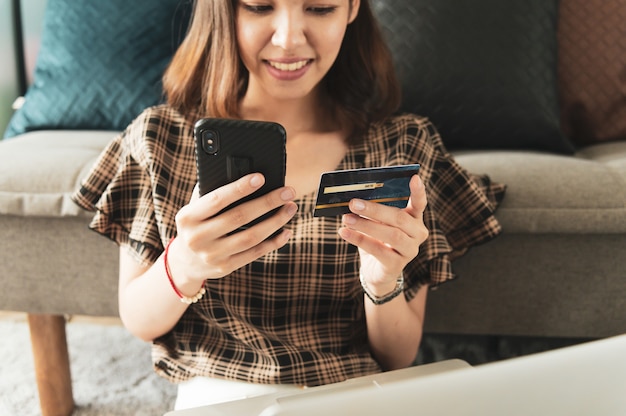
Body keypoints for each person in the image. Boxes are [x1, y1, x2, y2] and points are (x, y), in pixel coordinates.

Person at [72, 0, 505, 410]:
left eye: (319, 8)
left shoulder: (398, 146)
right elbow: (140, 320)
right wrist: (185, 264)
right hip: (222, 396)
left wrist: (383, 281)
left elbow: (397, 356)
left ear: (353, 7)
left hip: (349, 397)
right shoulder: (161, 139)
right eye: (260, 6)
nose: (288, 39)